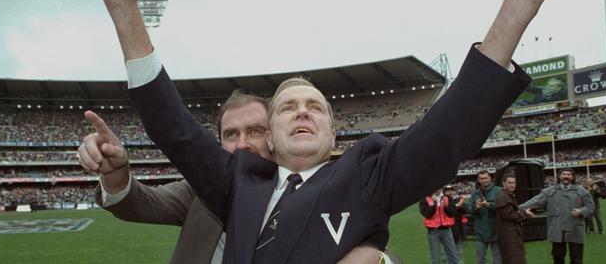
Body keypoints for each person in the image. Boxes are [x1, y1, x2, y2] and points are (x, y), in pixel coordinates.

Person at [70, 0, 606, 262]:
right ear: (271, 141)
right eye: (287, 107)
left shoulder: (370, 175)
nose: (301, 111)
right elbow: (173, 125)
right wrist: (124, 9)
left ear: (335, 137)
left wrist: (520, 0)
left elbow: (452, 126)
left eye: (314, 106)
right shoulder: (234, 181)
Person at [78, 90, 389, 264]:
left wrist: (381, 260)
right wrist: (116, 173)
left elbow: (372, 252)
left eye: (254, 131)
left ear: (274, 138)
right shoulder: (199, 193)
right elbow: (141, 203)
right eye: (231, 135)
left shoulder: (317, 190)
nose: (242, 144)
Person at [520, 169, 594, 264]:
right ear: (559, 177)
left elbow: (590, 206)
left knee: (577, 259)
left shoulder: (582, 191)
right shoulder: (549, 191)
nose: (566, 176)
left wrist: (582, 211)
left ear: (572, 177)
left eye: (568, 174)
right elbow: (534, 201)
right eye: (563, 174)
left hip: (575, 227)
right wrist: (519, 207)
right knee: (558, 257)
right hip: (557, 228)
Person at [495, 173, 534, 264]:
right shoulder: (502, 197)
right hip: (508, 234)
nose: (512, 185)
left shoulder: (508, 196)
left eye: (514, 182)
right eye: (509, 183)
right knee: (514, 259)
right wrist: (525, 213)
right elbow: (510, 216)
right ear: (503, 184)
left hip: (512, 233)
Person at [466, 170, 502, 264]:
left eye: (486, 178)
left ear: (491, 178)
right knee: (481, 259)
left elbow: (503, 207)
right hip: (480, 232)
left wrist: (489, 204)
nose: (484, 180)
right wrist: (476, 208)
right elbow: (469, 210)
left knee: (497, 258)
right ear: (478, 180)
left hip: (496, 230)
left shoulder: (499, 190)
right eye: (481, 178)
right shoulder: (475, 193)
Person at [420, 188, 460, 264]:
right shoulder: (425, 200)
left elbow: (453, 213)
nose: (438, 189)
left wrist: (445, 206)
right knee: (435, 255)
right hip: (433, 231)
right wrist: (434, 204)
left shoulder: (447, 198)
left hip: (447, 230)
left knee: (452, 254)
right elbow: (427, 215)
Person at [444, 185, 468, 264]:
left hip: (458, 229)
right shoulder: (443, 201)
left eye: (451, 190)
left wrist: (459, 205)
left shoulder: (457, 199)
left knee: (459, 251)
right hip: (447, 229)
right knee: (448, 252)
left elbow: (466, 210)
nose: (450, 192)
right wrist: (457, 205)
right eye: (448, 191)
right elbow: (449, 212)